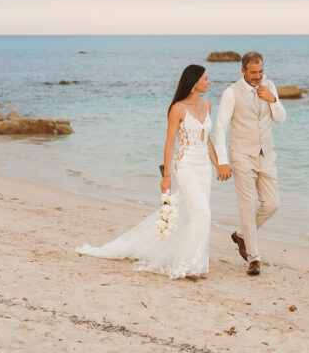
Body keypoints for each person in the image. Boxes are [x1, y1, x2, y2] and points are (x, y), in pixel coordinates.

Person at [77, 64, 226, 280]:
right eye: (205, 78)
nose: (209, 81)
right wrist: (166, 176)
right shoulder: (178, 108)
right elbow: (169, 143)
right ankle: (185, 265)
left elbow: (207, 140)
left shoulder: (208, 105)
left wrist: (219, 164)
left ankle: (197, 262)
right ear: (194, 82)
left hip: (204, 168)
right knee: (203, 213)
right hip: (184, 166)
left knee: (192, 214)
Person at [214, 51, 286, 276]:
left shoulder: (269, 86)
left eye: (261, 71)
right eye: (253, 72)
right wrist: (222, 162)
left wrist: (272, 100)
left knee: (272, 204)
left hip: (267, 156)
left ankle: (242, 236)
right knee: (248, 207)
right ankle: (254, 259)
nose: (258, 76)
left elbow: (281, 118)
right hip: (242, 156)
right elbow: (220, 128)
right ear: (243, 71)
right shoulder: (231, 93)